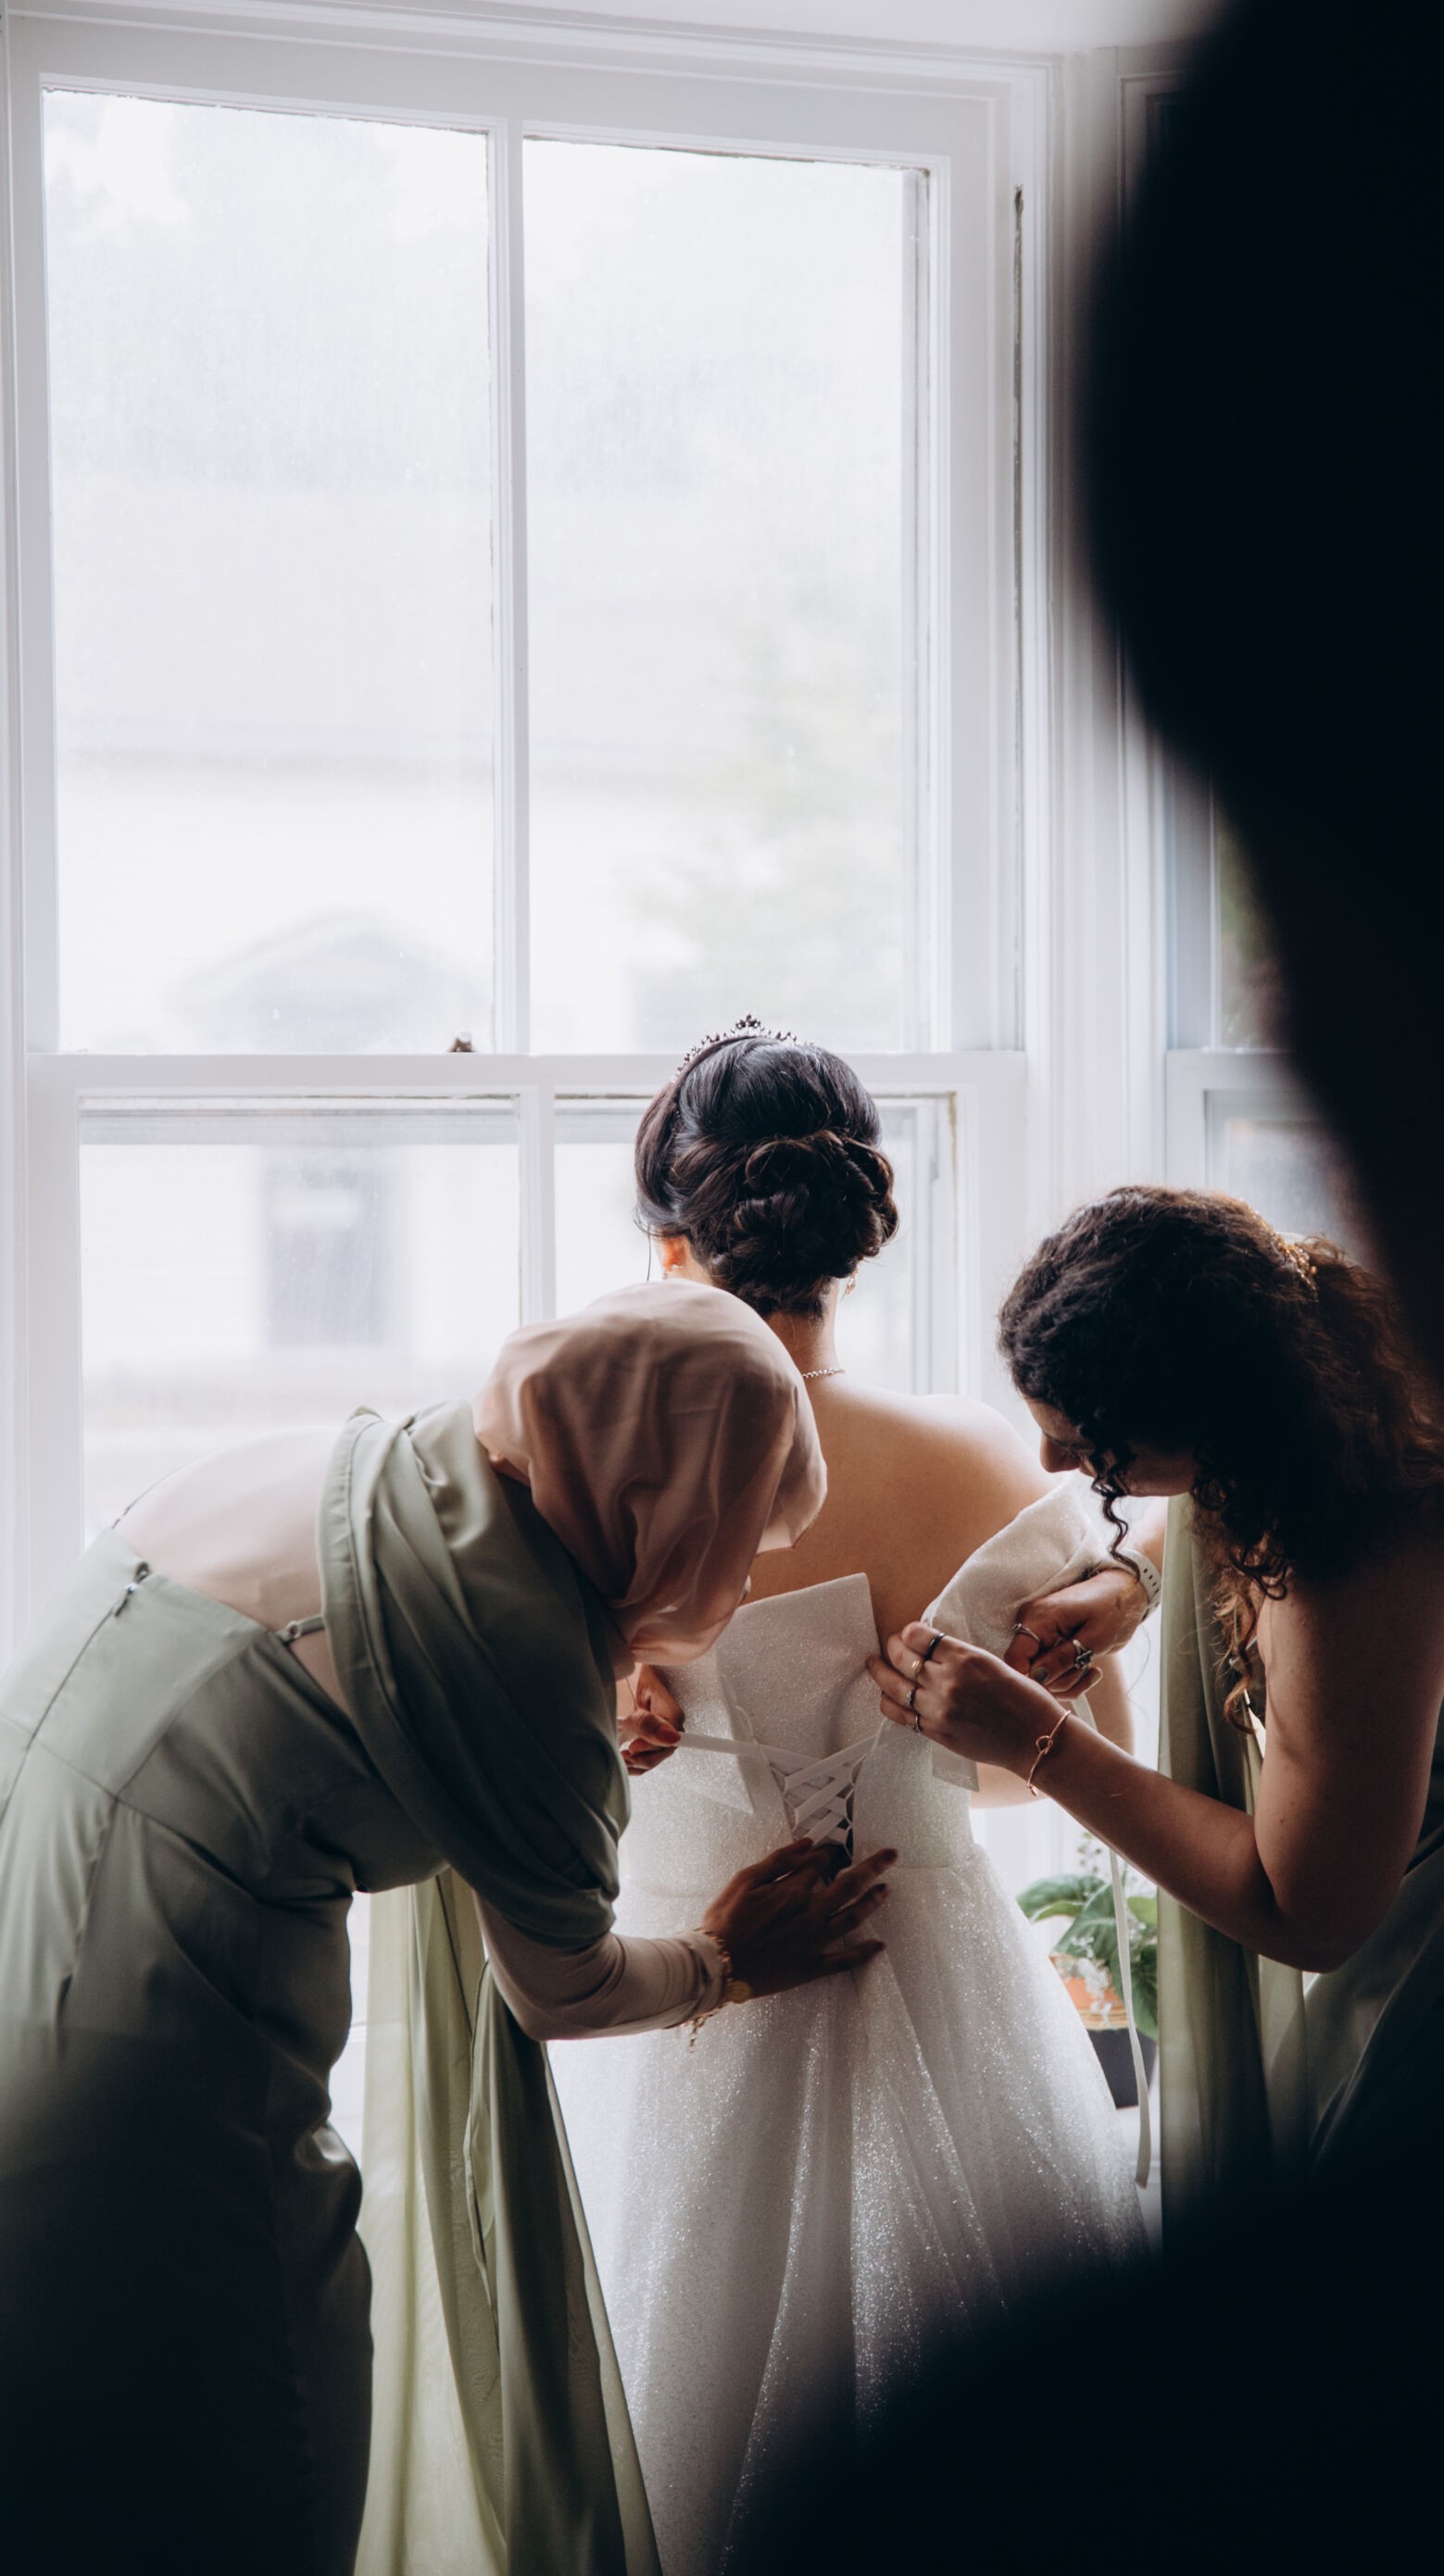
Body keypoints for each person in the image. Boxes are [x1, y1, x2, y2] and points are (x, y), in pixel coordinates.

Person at [0, 1282, 893, 2576]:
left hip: (23, 1963)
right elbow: (563, 1990)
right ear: (669, 1502)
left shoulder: (355, 1461)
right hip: (161, 2081)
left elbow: (360, 1715)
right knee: (266, 2459)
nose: (746, 1570)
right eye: (741, 1529)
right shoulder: (518, 1660)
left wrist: (549, 1749)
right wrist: (726, 1961)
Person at [549, 1026, 1146, 2576]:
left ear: (672, 1244)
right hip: (943, 1989)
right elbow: (1051, 1780)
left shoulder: (586, 1471)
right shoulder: (981, 1459)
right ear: (856, 1242)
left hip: (683, 2008)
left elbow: (516, 1776)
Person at [873, 1187, 1444, 2199]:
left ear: (1209, 1416)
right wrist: (1135, 1581)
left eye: (1094, 1439)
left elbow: (1303, 1911)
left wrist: (1040, 1741)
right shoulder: (1329, 1366)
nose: (1052, 1459)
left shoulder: (1356, 1572)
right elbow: (1221, 1497)